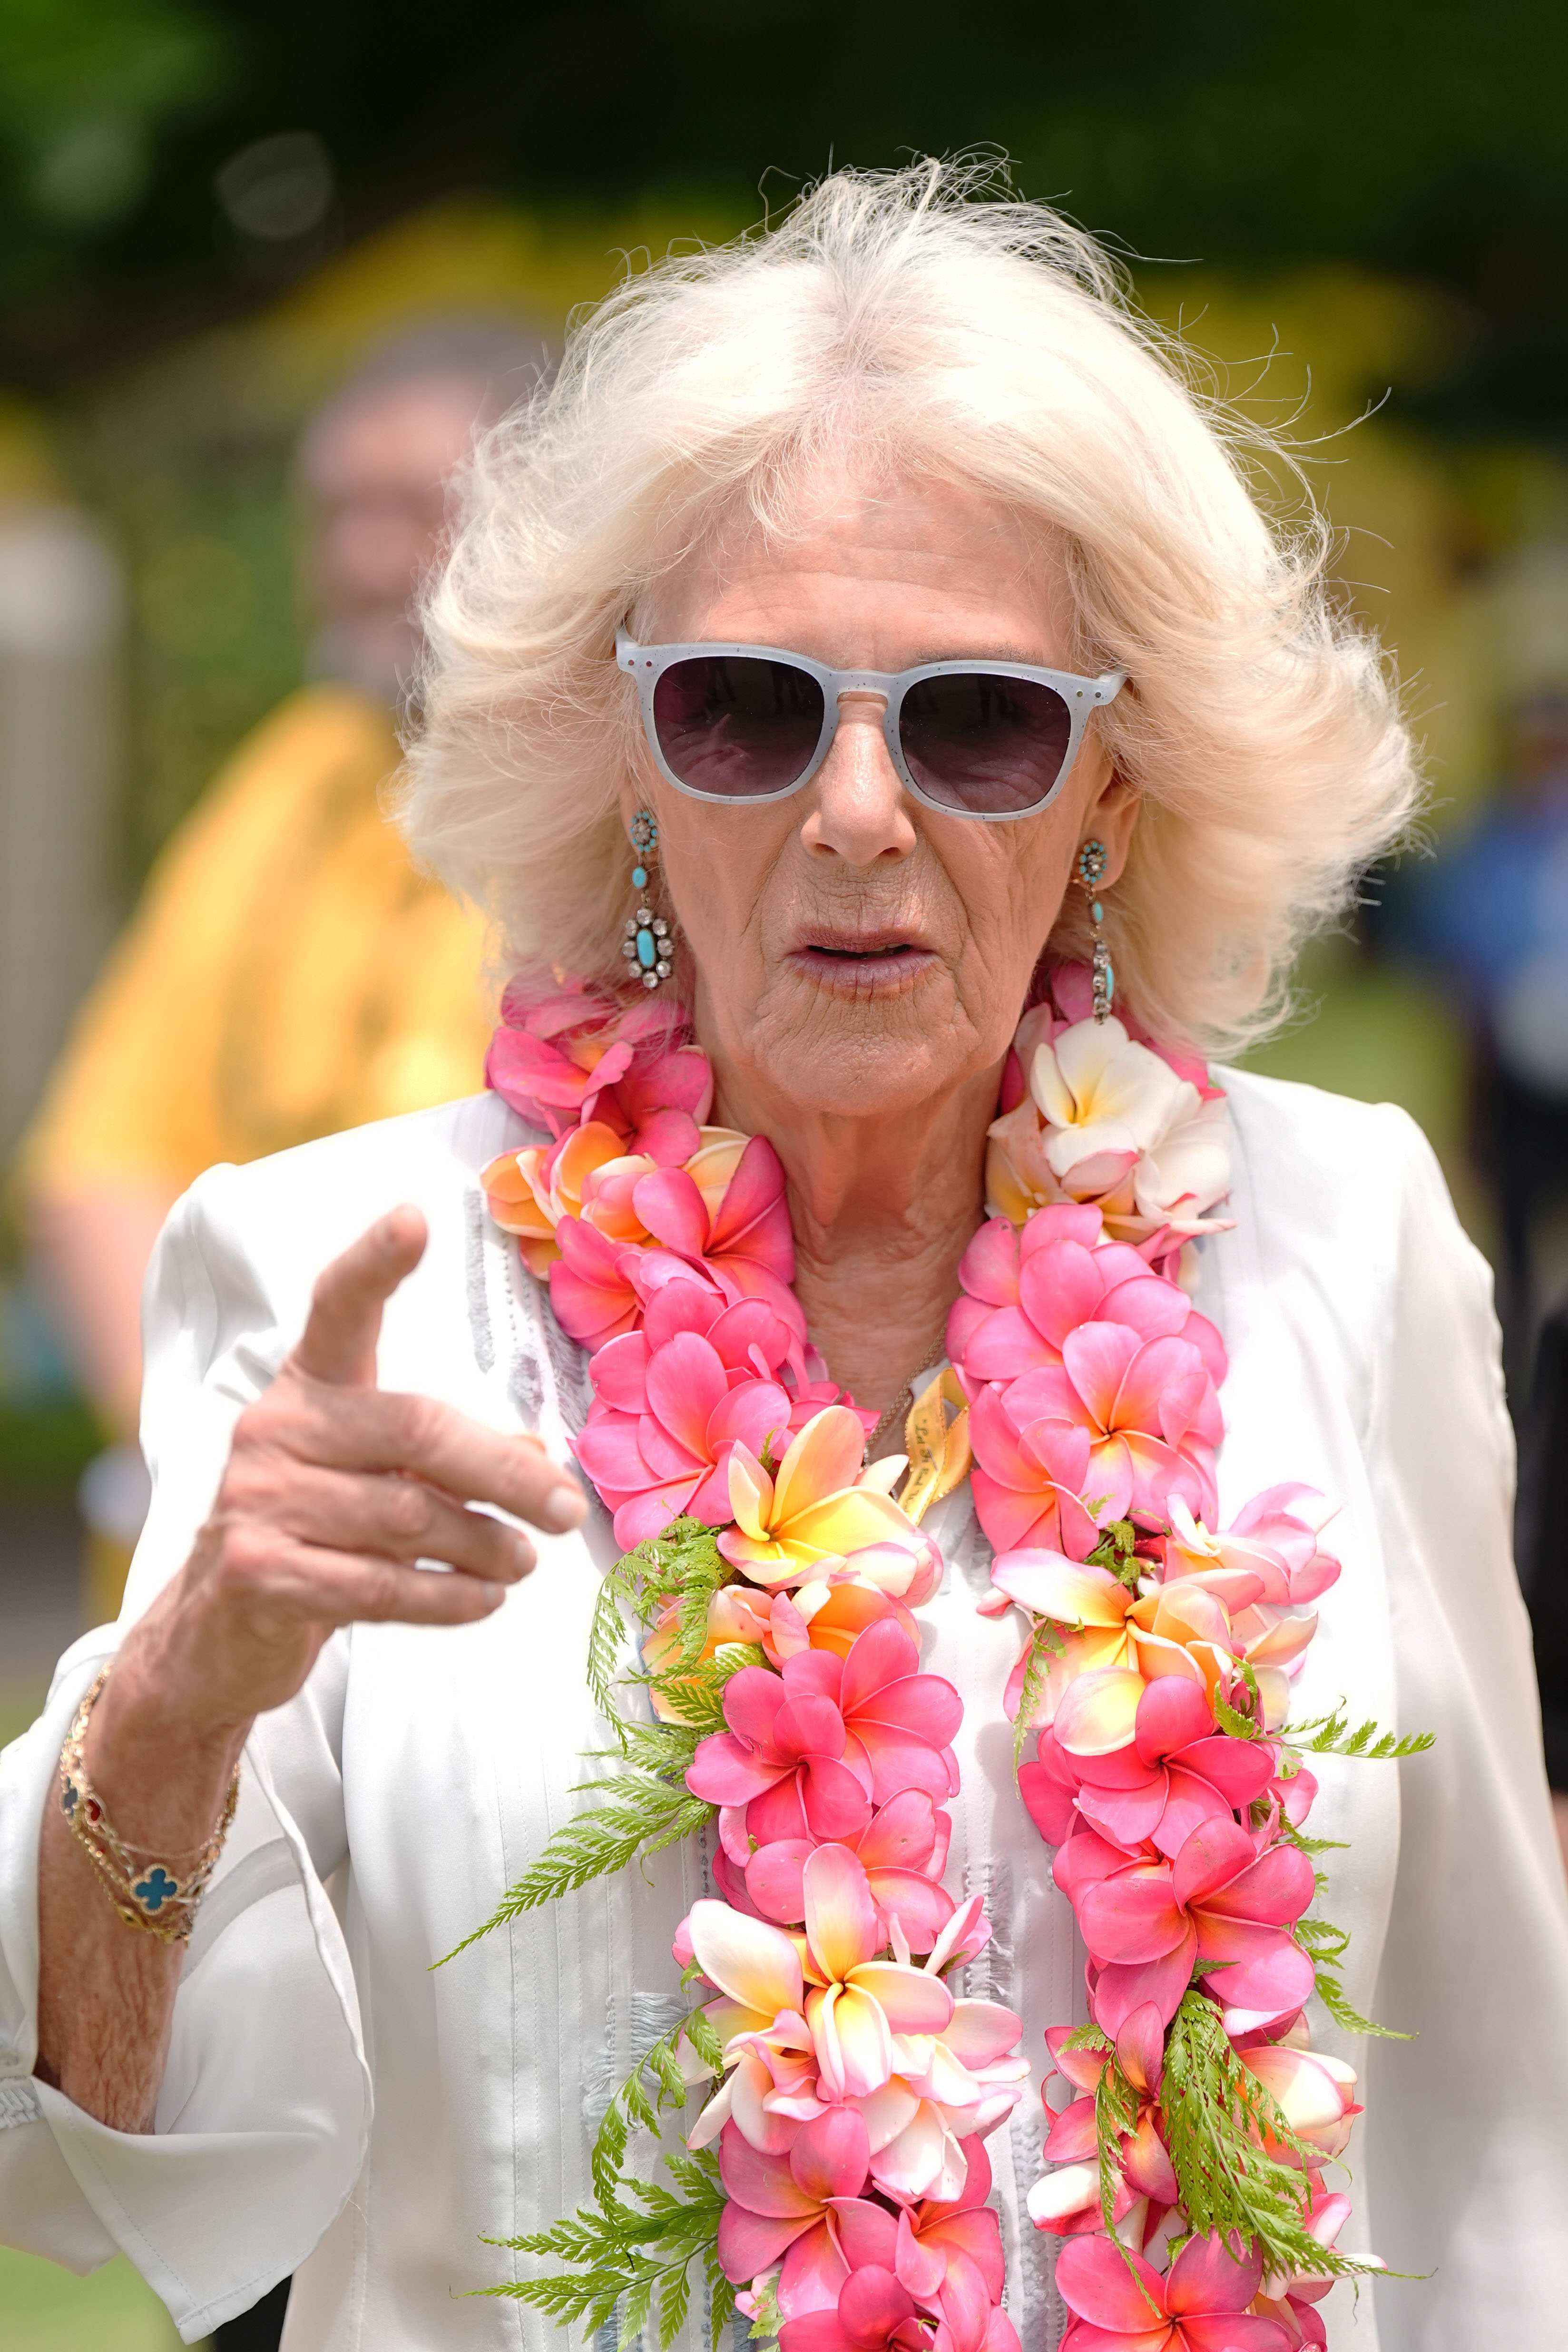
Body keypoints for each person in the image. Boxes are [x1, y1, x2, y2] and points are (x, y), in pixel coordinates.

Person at [2, 166, 1564, 2352]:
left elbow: (1499, 2136)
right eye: (741, 708)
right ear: (632, 766)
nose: (852, 808)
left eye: (975, 719)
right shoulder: (326, 1276)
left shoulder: (1341, 1235)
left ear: (1111, 786)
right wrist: (178, 1689)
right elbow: (82, 2154)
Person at [16, 317, 543, 1617]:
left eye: (417, 508)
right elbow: (98, 1157)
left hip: (518, 1543)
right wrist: (217, 1457)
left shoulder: (648, 802)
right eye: (338, 513)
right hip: (236, 1534)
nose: (365, 558)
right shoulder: (296, 770)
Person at [1390, 686, 1568, 1400]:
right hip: (1515, 1087)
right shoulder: (1485, 856)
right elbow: (1463, 997)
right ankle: (1523, 1398)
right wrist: (1466, 1111)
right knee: (1517, 1253)